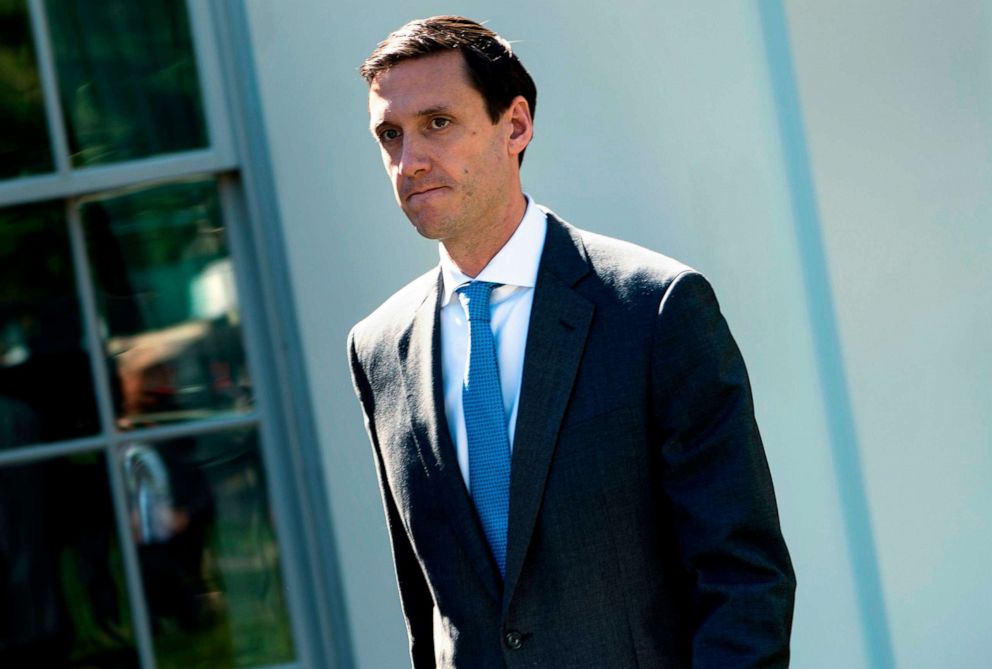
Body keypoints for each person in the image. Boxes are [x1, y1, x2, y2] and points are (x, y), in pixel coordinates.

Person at [348, 16, 795, 668]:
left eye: (437, 123)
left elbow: (744, 578)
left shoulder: (654, 308)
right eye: (391, 135)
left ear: (516, 125)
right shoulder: (378, 348)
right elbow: (430, 612)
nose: (410, 159)